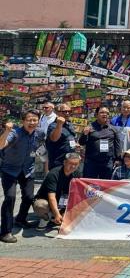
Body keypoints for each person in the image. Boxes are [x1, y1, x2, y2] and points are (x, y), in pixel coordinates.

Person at [0, 110, 45, 243]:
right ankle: (5, 232)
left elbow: (41, 149)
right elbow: (1, 145)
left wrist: (45, 165)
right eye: (29, 120)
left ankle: (20, 218)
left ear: (38, 121)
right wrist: (6, 131)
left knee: (29, 197)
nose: (32, 123)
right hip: (10, 170)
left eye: (34, 120)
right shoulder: (14, 133)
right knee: (10, 198)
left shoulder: (40, 133)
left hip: (27, 170)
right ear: (23, 121)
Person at [33, 152, 81, 229]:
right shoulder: (54, 174)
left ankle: (56, 216)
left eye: (76, 164)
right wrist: (56, 214)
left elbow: (77, 193)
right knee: (41, 205)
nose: (73, 166)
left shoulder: (77, 174)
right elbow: (51, 197)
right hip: (47, 201)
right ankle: (46, 218)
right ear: (64, 162)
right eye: (71, 163)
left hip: (62, 202)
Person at [79, 106, 121, 179]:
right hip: (91, 162)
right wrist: (85, 134)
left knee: (106, 184)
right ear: (96, 114)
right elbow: (81, 143)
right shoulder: (89, 127)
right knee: (89, 183)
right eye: (102, 112)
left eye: (107, 113)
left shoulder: (113, 129)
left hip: (107, 162)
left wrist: (118, 159)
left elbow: (117, 145)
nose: (105, 114)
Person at [46, 103, 77, 170]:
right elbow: (54, 138)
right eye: (65, 111)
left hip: (70, 162)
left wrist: (75, 144)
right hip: (58, 163)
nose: (67, 113)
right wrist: (59, 124)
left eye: (69, 111)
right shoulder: (53, 126)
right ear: (57, 113)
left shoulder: (69, 124)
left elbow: (70, 138)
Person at [38, 102, 56, 173]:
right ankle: (45, 172)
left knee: (48, 158)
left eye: (46, 107)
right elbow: (39, 126)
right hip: (42, 140)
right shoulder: (42, 116)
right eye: (43, 108)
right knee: (44, 157)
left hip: (50, 140)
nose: (44, 109)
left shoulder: (55, 117)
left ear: (52, 108)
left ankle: (47, 174)